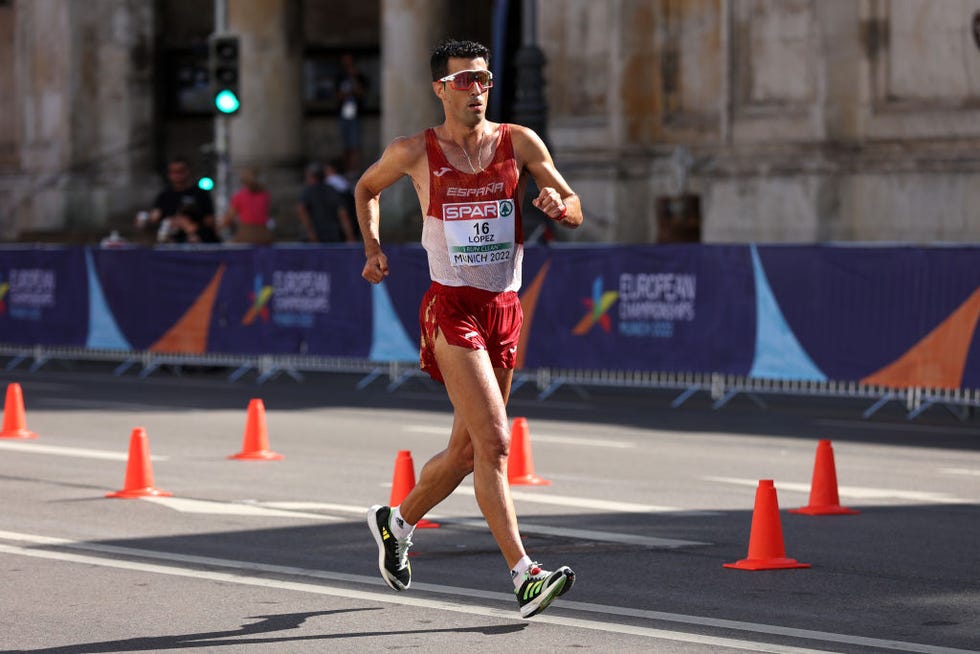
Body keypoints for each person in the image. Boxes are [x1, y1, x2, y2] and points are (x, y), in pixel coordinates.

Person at [357, 39, 583, 619]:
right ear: (440, 89)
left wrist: (560, 205)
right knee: (497, 443)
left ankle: (396, 522)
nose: (476, 90)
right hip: (452, 308)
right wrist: (374, 247)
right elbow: (366, 189)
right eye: (463, 81)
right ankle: (523, 574)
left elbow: (573, 202)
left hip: (502, 306)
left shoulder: (520, 141)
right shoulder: (413, 151)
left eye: (483, 79)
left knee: (464, 452)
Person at [136, 156, 214, 243]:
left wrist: (189, 225)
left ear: (188, 171)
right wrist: (147, 221)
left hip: (198, 239)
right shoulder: (164, 196)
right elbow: (155, 217)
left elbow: (210, 222)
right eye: (173, 172)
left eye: (180, 172)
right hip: (171, 240)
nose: (176, 175)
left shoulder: (200, 193)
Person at [297, 162, 356, 243]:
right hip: (334, 236)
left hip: (317, 237)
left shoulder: (308, 192)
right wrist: (350, 235)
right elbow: (343, 213)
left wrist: (310, 231)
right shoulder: (333, 190)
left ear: (311, 176)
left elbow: (301, 209)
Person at [220, 168, 274, 245]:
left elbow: (229, 217)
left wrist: (218, 227)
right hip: (264, 234)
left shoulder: (239, 196)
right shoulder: (265, 195)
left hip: (246, 234)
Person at [335, 53, 368, 175]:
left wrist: (354, 79)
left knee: (355, 143)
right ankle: (346, 169)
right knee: (345, 143)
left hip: (355, 113)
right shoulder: (340, 77)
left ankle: (354, 169)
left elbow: (362, 92)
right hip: (343, 114)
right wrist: (349, 93)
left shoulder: (359, 76)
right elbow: (337, 95)